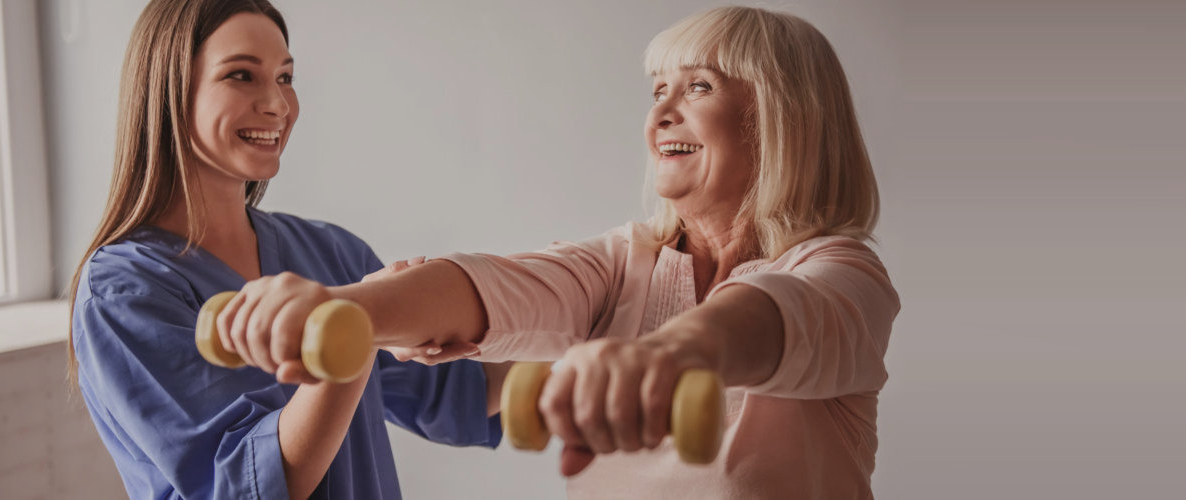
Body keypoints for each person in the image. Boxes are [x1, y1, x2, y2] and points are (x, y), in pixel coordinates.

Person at [217, 6, 899, 498]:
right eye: (658, 91)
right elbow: (502, 285)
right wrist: (344, 308)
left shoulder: (842, 273)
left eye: (698, 87)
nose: (660, 114)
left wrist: (665, 357)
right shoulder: (622, 264)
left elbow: (776, 315)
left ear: (782, 117)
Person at [66, 1, 504, 498]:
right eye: (241, 75)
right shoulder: (124, 290)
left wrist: (588, 311)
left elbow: (457, 394)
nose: (278, 103)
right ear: (168, 90)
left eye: (286, 77)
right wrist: (351, 328)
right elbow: (250, 483)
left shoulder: (332, 251)